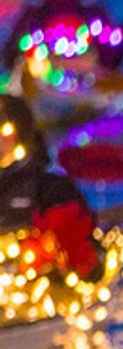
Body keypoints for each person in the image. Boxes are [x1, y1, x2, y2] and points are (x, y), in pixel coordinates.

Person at [0, 95, 102, 280]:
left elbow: (91, 267)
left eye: (4, 132)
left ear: (21, 135)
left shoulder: (51, 190)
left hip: (30, 293)